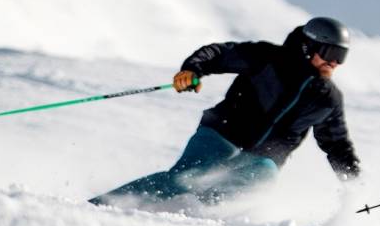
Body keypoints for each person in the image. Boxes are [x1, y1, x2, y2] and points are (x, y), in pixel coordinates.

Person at [91, 16, 360, 208]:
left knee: (260, 178)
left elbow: (336, 144)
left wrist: (356, 187)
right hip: (223, 133)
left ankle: (190, 210)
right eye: (330, 52)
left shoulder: (328, 99)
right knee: (186, 178)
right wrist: (192, 70)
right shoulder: (267, 58)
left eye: (342, 56)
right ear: (309, 46)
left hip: (262, 159)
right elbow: (219, 54)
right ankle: (104, 204)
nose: (334, 62)